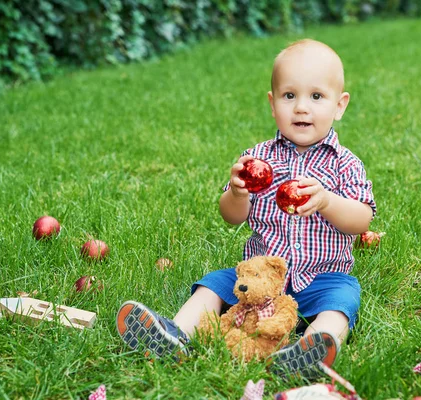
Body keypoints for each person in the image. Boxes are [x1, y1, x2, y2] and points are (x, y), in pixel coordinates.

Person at [116, 38, 377, 380]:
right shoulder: (257, 159)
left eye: (316, 97)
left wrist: (327, 201)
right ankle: (173, 335)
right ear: (272, 104)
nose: (301, 108)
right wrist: (238, 193)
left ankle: (311, 350)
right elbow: (231, 216)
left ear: (339, 105)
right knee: (212, 285)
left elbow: (361, 219)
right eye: (289, 96)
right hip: (256, 281)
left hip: (322, 277)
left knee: (342, 301)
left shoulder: (346, 165)